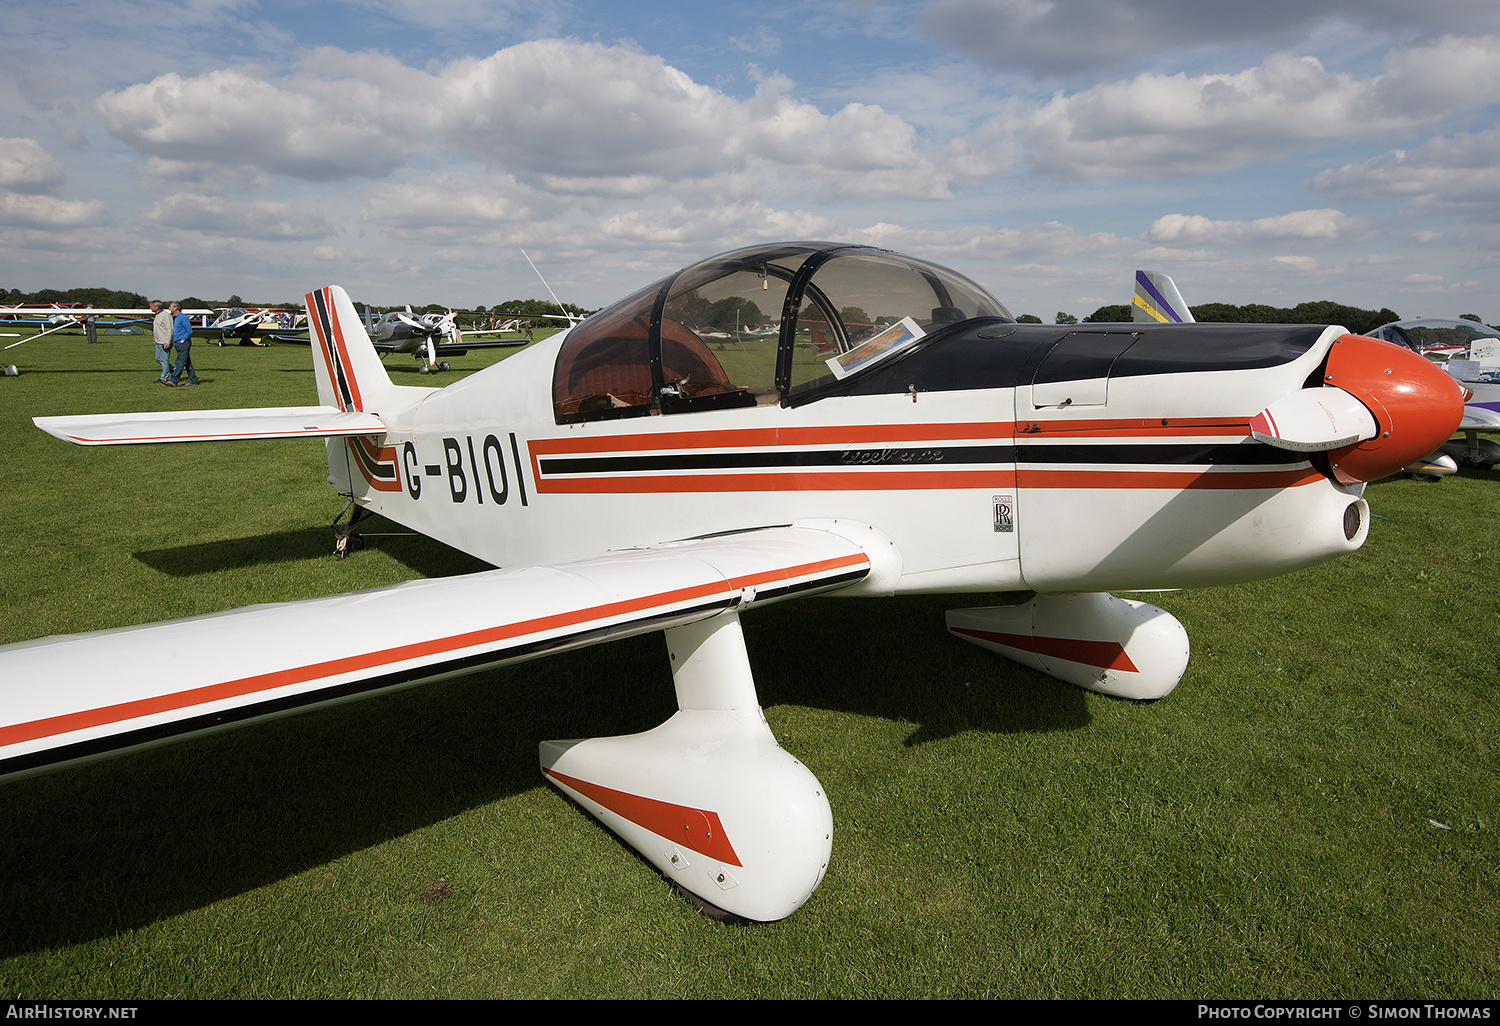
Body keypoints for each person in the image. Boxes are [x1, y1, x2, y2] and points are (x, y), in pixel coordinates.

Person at [168, 301, 197, 386]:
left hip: (183, 344)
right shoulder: (176, 317)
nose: (169, 308)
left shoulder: (183, 317)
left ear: (175, 308)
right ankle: (193, 380)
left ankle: (173, 380)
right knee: (187, 363)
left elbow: (189, 330)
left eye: (170, 307)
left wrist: (183, 340)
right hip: (177, 343)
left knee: (179, 362)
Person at [150, 301, 173, 383]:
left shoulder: (165, 315)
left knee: (164, 360)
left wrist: (167, 341)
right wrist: (156, 339)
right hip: (159, 341)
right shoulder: (157, 316)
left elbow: (169, 329)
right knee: (158, 359)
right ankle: (174, 371)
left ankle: (164, 378)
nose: (150, 308)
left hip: (164, 342)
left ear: (157, 307)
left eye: (151, 306)